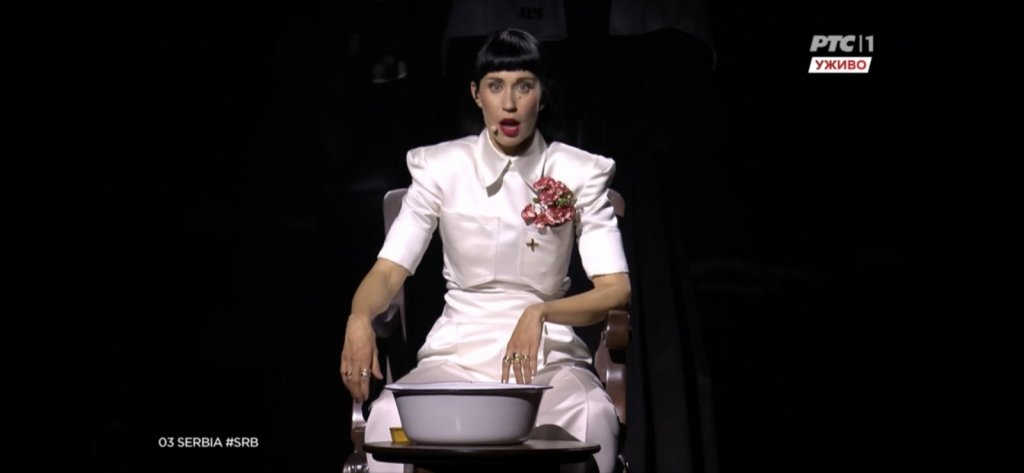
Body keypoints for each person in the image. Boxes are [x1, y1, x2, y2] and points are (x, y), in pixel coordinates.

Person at [340, 28, 630, 473]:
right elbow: (388, 272)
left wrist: (540, 312)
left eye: (524, 86)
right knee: (386, 418)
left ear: (542, 95)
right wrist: (359, 317)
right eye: (496, 86)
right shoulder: (440, 167)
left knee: (590, 415)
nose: (509, 103)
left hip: (549, 358)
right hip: (457, 355)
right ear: (477, 94)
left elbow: (616, 289)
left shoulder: (578, 171)